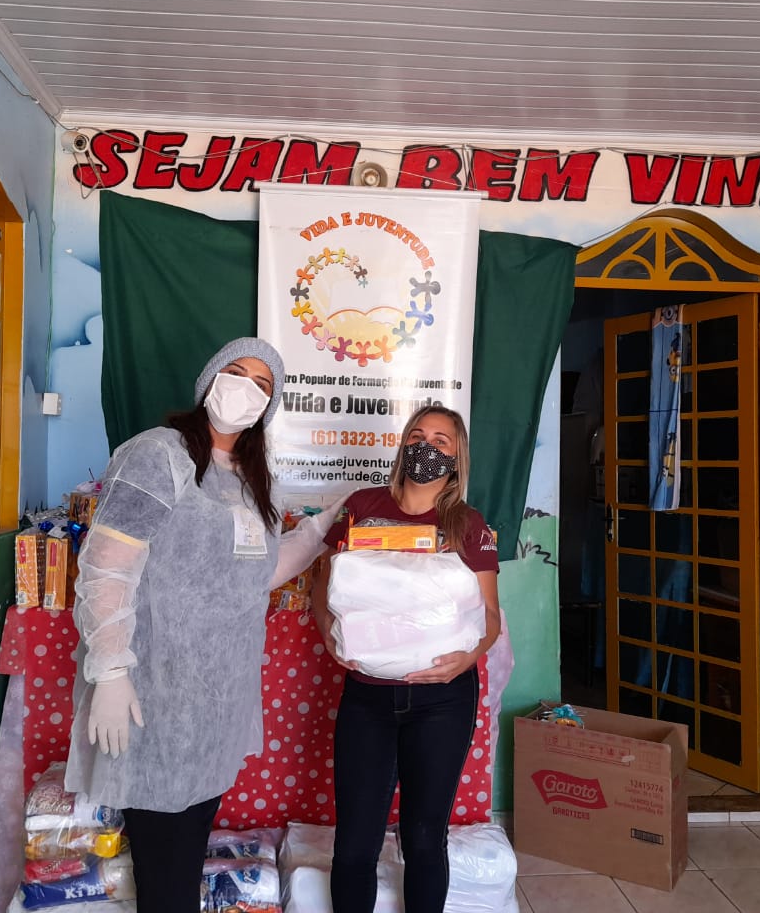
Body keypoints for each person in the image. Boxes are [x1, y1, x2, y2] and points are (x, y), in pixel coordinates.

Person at [64, 337, 334, 911]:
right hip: (153, 692)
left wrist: (321, 529)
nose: (246, 389)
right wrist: (110, 670)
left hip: (215, 704)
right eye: (236, 372)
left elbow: (259, 570)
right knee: (162, 861)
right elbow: (107, 567)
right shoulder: (159, 456)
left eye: (262, 384)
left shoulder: (251, 477)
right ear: (210, 379)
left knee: (185, 853)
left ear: (268, 406)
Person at [311, 404, 501, 913]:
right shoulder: (362, 507)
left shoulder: (467, 524)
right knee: (355, 841)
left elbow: (489, 617)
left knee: (423, 838)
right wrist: (329, 636)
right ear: (402, 446)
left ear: (457, 457)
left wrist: (466, 658)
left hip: (443, 700)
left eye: (440, 440)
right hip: (368, 697)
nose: (426, 447)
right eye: (417, 436)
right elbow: (323, 586)